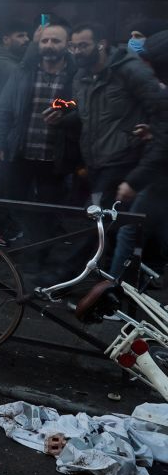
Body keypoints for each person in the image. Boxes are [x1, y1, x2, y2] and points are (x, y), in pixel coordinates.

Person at [0, 23, 78, 274]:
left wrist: (67, 115)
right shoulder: (24, 71)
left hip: (56, 156)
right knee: (17, 204)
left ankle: (38, 257)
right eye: (45, 41)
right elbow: (4, 109)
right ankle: (31, 248)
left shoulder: (76, 75)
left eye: (56, 41)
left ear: (67, 45)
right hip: (22, 152)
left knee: (49, 209)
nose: (49, 46)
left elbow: (83, 109)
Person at [67, 22, 164, 209]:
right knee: (107, 221)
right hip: (94, 160)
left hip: (124, 159)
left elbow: (159, 110)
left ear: (101, 44)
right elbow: (83, 113)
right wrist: (61, 120)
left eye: (83, 45)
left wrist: (150, 133)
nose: (77, 51)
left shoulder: (129, 69)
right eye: (73, 46)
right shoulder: (81, 76)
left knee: (98, 217)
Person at [109, 30, 168, 281]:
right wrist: (154, 132)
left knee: (130, 229)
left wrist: (135, 181)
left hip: (160, 175)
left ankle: (112, 295)